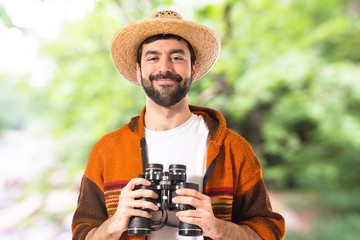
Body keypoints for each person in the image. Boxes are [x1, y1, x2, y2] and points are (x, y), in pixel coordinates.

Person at [72, 10, 285, 240]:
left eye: (177, 57)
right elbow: (81, 235)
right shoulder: (107, 151)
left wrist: (219, 228)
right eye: (153, 58)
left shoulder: (233, 149)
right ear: (138, 70)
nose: (165, 68)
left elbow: (269, 233)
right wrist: (114, 224)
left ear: (193, 69)